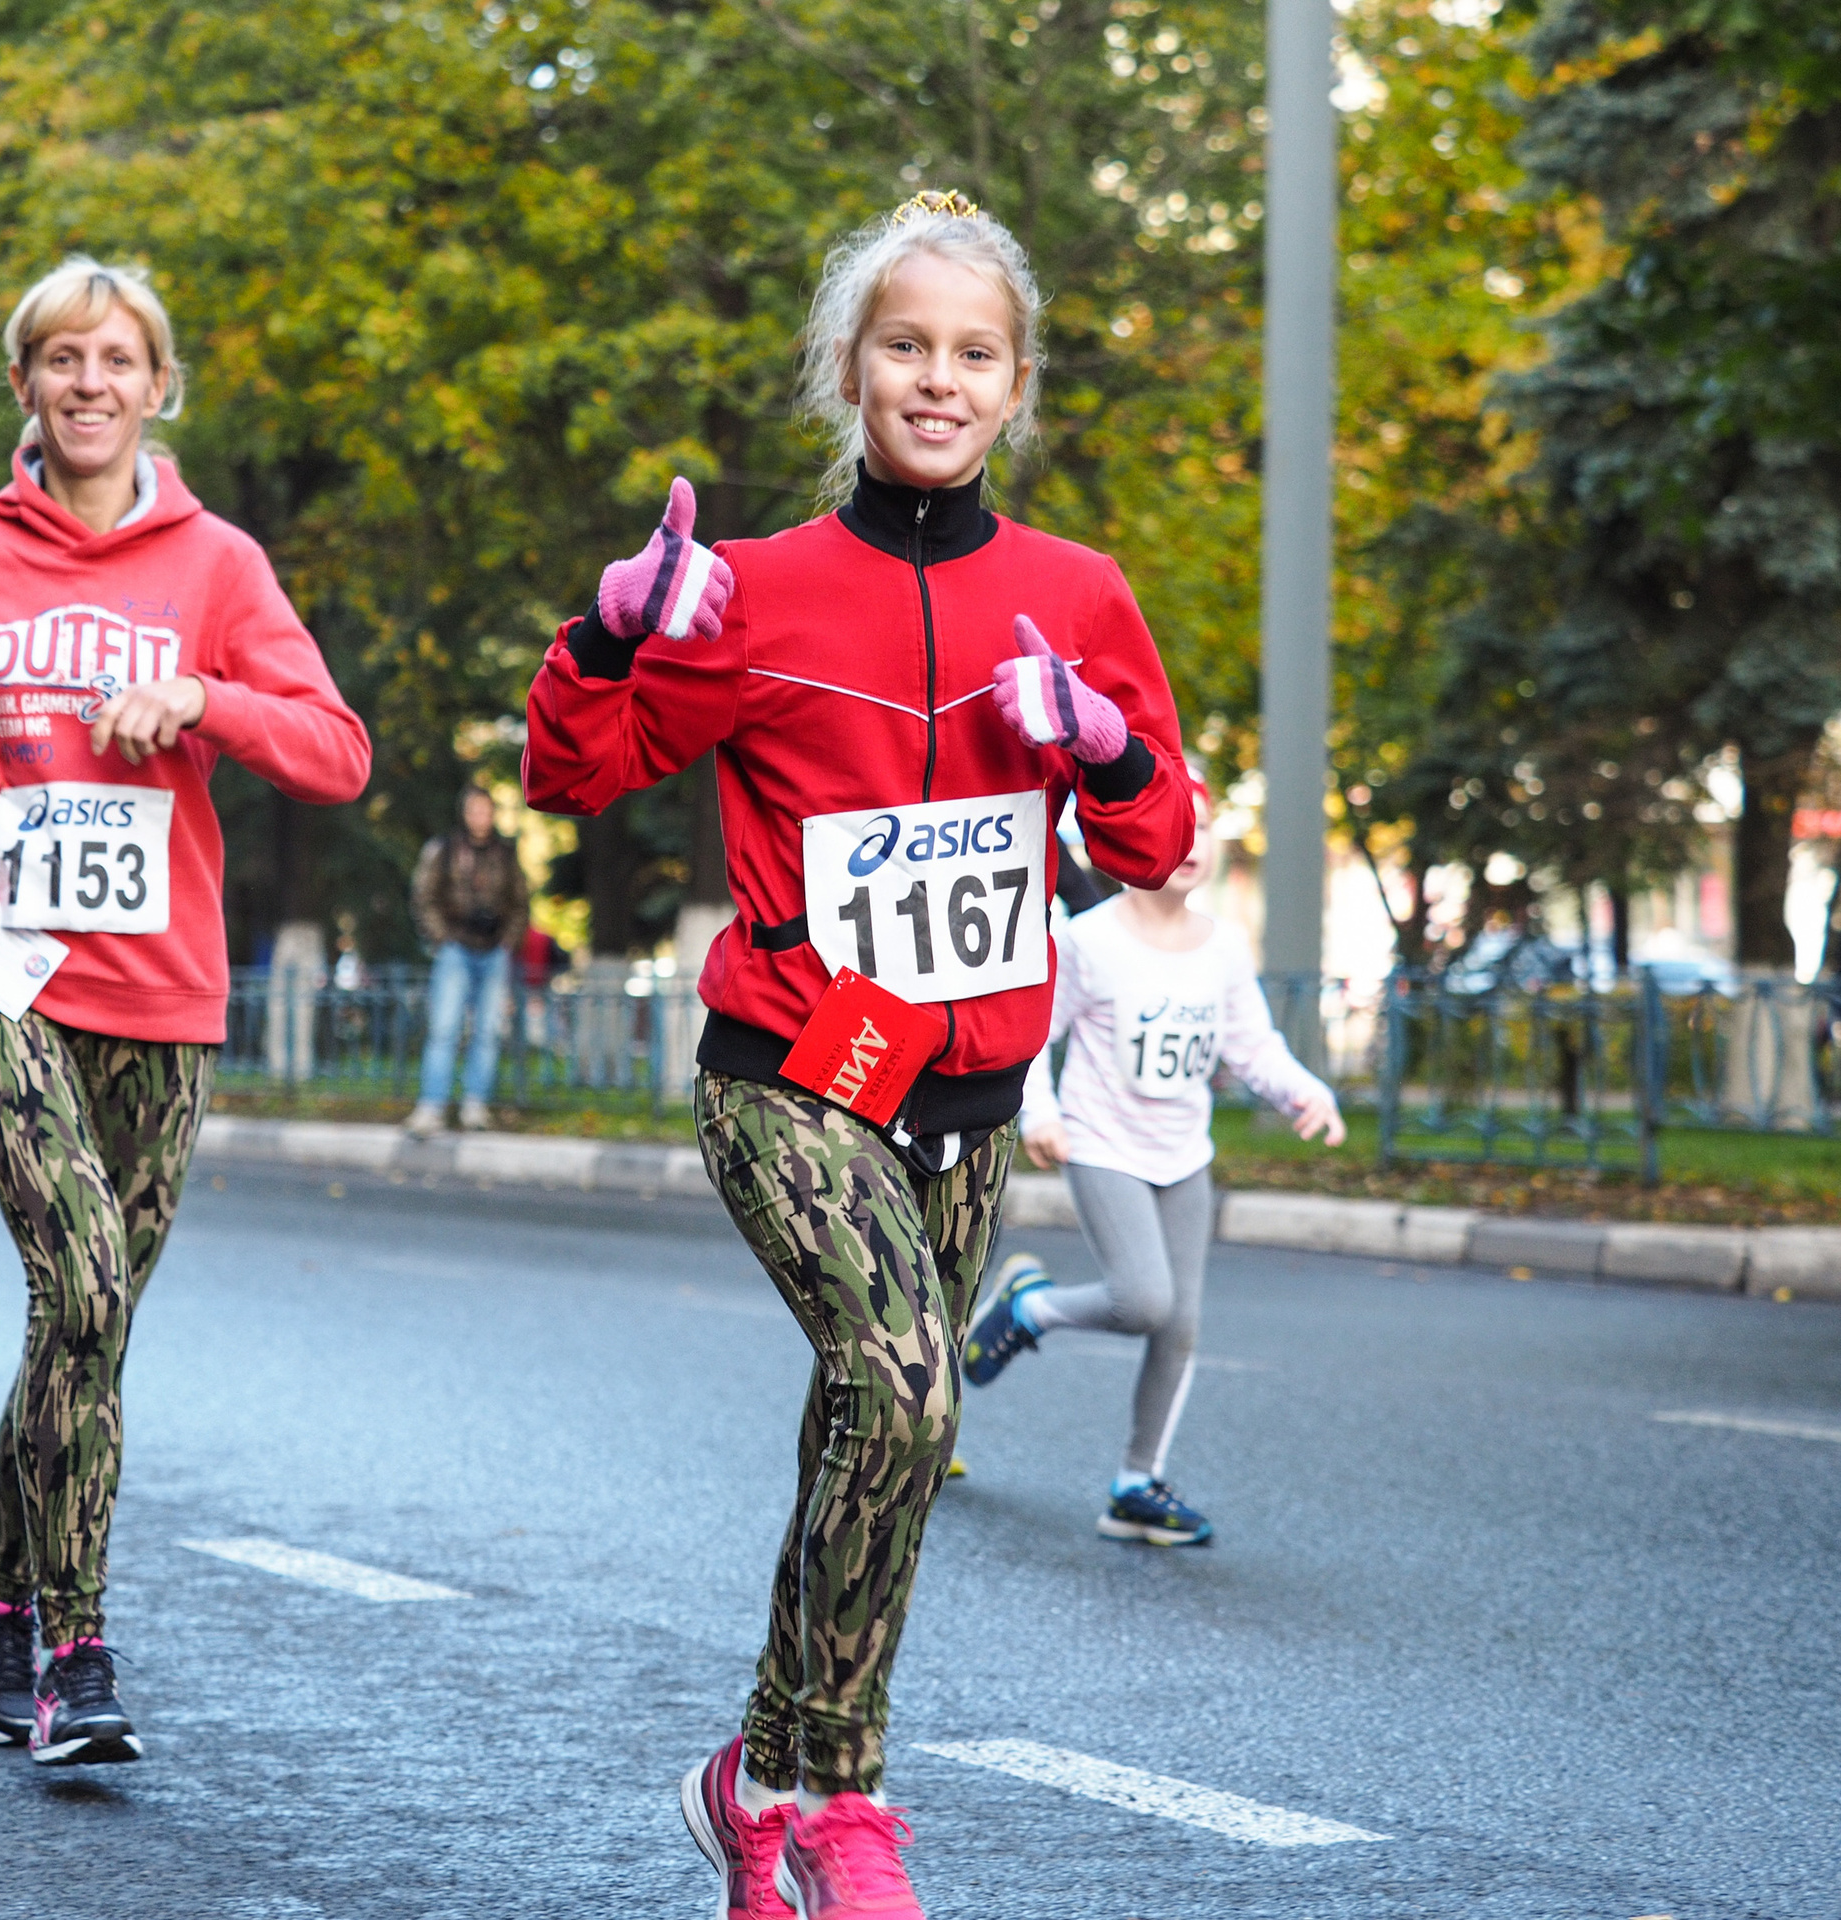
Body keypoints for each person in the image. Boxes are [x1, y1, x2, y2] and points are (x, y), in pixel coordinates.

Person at [525, 192, 1195, 1920]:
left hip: (964, 1109)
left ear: (1018, 383)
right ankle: (847, 1805)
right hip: (792, 1075)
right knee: (907, 1388)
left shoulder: (1077, 594)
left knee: (871, 1427)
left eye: (975, 354)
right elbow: (575, 775)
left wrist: (1106, 749)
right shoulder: (751, 592)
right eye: (907, 345)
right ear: (849, 365)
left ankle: (754, 1785)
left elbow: (1155, 838)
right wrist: (610, 632)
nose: (939, 379)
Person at [0, 255, 369, 1767]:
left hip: (162, 993)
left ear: (157, 385)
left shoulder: (218, 567)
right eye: (61, 360)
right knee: (81, 1288)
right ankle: (72, 1646)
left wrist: (205, 699)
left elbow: (335, 752)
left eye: (117, 359)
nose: (89, 384)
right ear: (26, 387)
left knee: (91, 1321)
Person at [961, 786, 1344, 1547]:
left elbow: (1252, 1044)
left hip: (1183, 1153)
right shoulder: (1090, 939)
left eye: (1202, 826)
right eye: (1175, 824)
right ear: (1132, 839)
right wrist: (1040, 1112)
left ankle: (1137, 1484)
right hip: (1103, 1144)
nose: (1191, 840)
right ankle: (1030, 1309)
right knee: (1142, 1301)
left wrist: (1306, 1091)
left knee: (1181, 1325)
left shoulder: (1225, 944)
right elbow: (1035, 1035)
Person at [406, 784, 531, 1135]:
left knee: (487, 1032)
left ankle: (474, 1106)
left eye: (486, 810)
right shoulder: (443, 850)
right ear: (464, 813)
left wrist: (508, 941)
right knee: (444, 1028)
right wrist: (441, 937)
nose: (480, 817)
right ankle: (431, 1107)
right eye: (474, 810)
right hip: (455, 948)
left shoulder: (505, 854)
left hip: (494, 950)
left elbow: (520, 903)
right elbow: (424, 897)